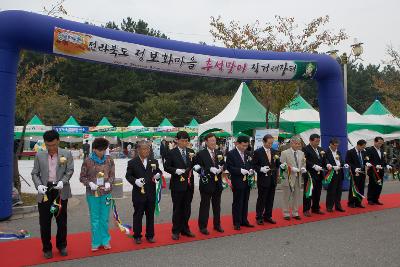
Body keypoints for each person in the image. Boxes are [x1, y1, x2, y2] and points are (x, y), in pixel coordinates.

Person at [31, 130, 74, 259]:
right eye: (48, 145)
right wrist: (38, 185)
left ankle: (62, 245)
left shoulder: (66, 154)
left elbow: (70, 170)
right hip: (44, 190)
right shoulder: (39, 155)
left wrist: (63, 181)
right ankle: (47, 248)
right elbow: (35, 173)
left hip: (60, 189)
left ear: (58, 141)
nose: (51, 148)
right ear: (45, 143)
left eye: (54, 145)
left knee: (61, 220)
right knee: (44, 221)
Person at [80, 138, 115, 251]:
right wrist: (89, 183)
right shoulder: (88, 160)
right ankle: (95, 242)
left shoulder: (109, 160)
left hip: (106, 193)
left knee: (104, 218)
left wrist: (109, 183)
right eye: (100, 150)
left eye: (104, 150)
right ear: (94, 149)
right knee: (95, 218)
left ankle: (105, 240)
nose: (102, 152)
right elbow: (82, 177)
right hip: (92, 193)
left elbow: (112, 175)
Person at [126, 141, 163, 244]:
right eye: (144, 148)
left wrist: (158, 175)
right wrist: (135, 181)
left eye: (148, 148)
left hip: (151, 193)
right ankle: (137, 235)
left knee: (150, 215)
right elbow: (128, 176)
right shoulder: (132, 162)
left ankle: (150, 235)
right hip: (138, 194)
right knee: (138, 215)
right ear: (138, 150)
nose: (147, 151)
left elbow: (159, 172)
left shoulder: (153, 161)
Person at [164, 131, 196, 240]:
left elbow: (194, 165)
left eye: (186, 141)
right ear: (177, 140)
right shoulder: (171, 153)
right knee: (177, 208)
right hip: (177, 185)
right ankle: (176, 230)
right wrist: (175, 170)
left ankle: (185, 229)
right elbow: (166, 167)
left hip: (189, 184)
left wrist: (197, 167)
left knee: (187, 208)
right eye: (182, 141)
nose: (184, 143)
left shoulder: (191, 151)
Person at [194, 133, 225, 235]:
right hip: (206, 183)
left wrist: (221, 168)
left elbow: (223, 164)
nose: (213, 142)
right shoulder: (200, 154)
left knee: (217, 206)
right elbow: (197, 167)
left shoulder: (219, 152)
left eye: (214, 140)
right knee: (205, 205)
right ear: (206, 142)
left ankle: (217, 225)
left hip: (217, 183)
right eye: (211, 140)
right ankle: (202, 226)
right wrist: (208, 169)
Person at [226, 135, 254, 230]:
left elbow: (251, 164)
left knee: (245, 201)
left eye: (246, 146)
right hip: (237, 181)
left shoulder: (248, 153)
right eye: (243, 145)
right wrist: (240, 170)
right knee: (238, 202)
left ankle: (244, 220)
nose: (244, 148)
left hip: (247, 181)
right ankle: (236, 222)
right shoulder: (231, 153)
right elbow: (229, 167)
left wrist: (251, 170)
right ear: (237, 143)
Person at [252, 134, 280, 225]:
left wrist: (281, 164)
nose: (270, 145)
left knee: (270, 199)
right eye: (269, 143)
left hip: (272, 179)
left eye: (272, 143)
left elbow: (277, 164)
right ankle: (259, 216)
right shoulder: (258, 152)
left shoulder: (275, 151)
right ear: (263, 142)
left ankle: (268, 216)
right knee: (262, 199)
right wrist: (261, 169)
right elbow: (254, 165)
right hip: (263, 179)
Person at [280, 137, 306, 220]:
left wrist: (303, 168)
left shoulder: (301, 153)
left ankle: (295, 212)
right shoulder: (284, 153)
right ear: (291, 144)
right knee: (286, 196)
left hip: (298, 177)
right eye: (296, 143)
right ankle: (286, 213)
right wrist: (291, 169)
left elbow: (303, 163)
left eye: (299, 144)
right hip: (288, 177)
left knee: (296, 196)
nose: (298, 145)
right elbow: (282, 165)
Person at [302, 134, 326, 216]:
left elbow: (323, 160)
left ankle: (315, 208)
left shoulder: (320, 149)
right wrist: (313, 166)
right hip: (310, 174)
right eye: (316, 141)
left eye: (319, 141)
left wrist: (327, 165)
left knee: (317, 192)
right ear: (310, 140)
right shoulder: (305, 149)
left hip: (319, 174)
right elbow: (304, 161)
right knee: (308, 192)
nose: (317, 143)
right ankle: (306, 209)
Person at [366, 137, 392, 205]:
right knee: (372, 185)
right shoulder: (369, 150)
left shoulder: (381, 150)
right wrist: (374, 165)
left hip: (381, 170)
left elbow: (383, 160)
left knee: (379, 185)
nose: (380, 144)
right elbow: (367, 160)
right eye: (379, 143)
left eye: (381, 143)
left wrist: (387, 165)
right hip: (373, 171)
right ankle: (370, 199)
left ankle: (376, 199)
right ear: (375, 142)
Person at [325, 138, 348, 212]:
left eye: (337, 146)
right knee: (331, 190)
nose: (336, 147)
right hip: (331, 173)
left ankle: (338, 206)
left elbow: (341, 161)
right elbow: (325, 162)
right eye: (335, 146)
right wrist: (332, 166)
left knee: (339, 191)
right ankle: (329, 206)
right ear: (330, 144)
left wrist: (344, 164)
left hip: (339, 173)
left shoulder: (338, 152)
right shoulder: (326, 152)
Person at [346, 139, 368, 208]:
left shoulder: (363, 152)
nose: (363, 148)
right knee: (354, 188)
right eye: (363, 147)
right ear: (358, 145)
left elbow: (364, 161)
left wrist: (367, 163)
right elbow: (348, 162)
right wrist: (354, 168)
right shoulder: (350, 152)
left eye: (364, 147)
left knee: (361, 187)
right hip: (355, 172)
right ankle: (351, 202)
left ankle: (359, 202)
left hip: (362, 172)